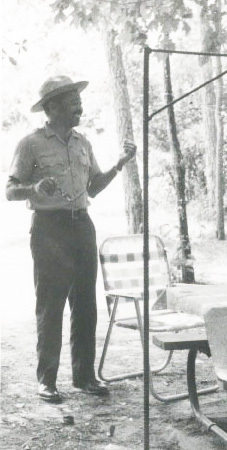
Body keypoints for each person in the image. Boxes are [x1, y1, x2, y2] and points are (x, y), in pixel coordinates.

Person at [6, 75, 136, 403]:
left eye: (78, 99)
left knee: (86, 305)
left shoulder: (83, 144)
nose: (79, 105)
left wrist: (119, 165)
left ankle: (85, 377)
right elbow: (10, 191)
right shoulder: (31, 144)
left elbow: (92, 188)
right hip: (49, 230)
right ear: (52, 107)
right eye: (71, 100)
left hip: (82, 226)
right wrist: (33, 189)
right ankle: (46, 380)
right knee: (51, 307)